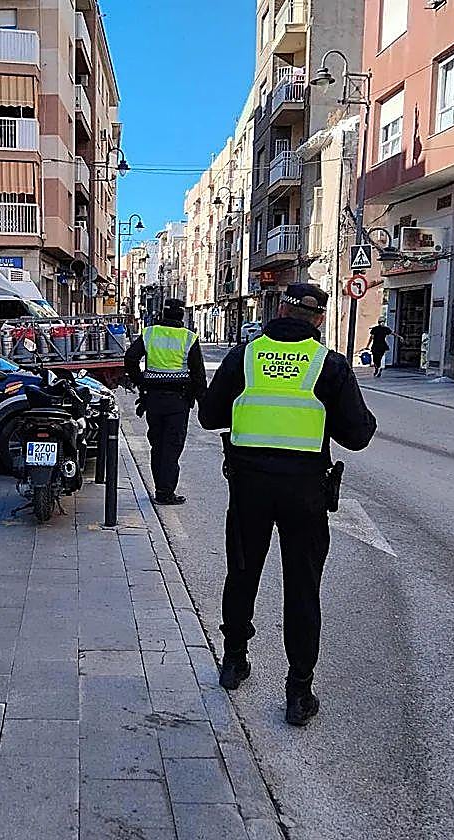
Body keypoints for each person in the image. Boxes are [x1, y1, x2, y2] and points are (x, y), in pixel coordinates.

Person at [199, 283, 377, 727]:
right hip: (305, 493)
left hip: (248, 488)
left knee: (241, 574)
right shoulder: (329, 365)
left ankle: (233, 662)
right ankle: (299, 692)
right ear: (318, 319)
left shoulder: (245, 356)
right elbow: (357, 435)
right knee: (302, 588)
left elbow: (209, 416)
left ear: (279, 309)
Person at [124, 298, 207, 505]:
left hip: (153, 400)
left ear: (163, 314)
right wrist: (204, 402)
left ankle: (160, 488)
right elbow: (198, 375)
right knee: (172, 447)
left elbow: (130, 358)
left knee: (157, 446)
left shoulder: (150, 333)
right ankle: (165, 492)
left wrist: (141, 381)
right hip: (178, 402)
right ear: (182, 315)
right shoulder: (189, 338)